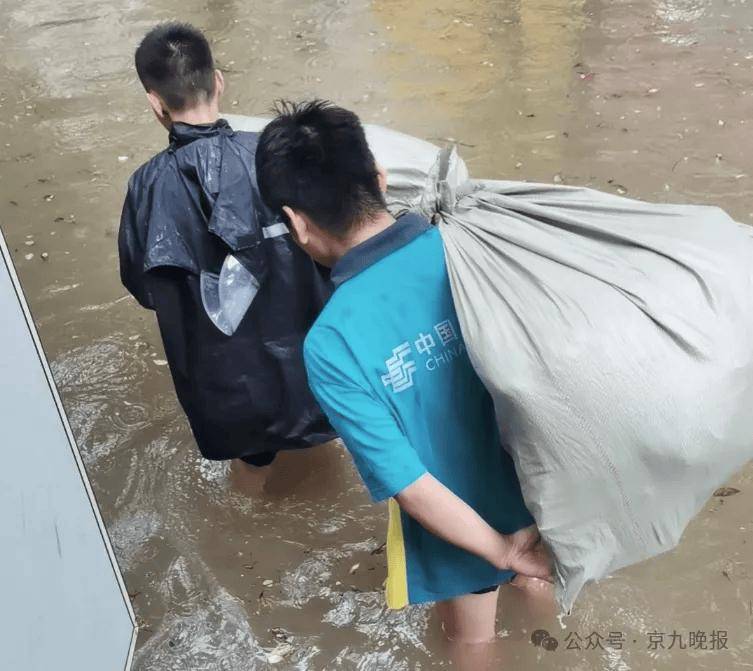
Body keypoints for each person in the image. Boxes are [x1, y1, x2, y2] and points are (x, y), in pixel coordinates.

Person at [255, 100, 552, 647]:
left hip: (461, 523)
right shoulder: (467, 246)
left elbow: (408, 482)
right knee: (539, 582)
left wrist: (499, 550)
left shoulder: (332, 341)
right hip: (539, 486)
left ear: (295, 221)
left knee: (470, 639)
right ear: (380, 178)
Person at [118, 25, 335, 468]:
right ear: (219, 81)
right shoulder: (277, 156)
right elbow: (335, 246)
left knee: (251, 473)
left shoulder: (146, 188)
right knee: (324, 441)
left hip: (231, 386)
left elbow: (144, 287)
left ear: (154, 103)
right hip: (312, 365)